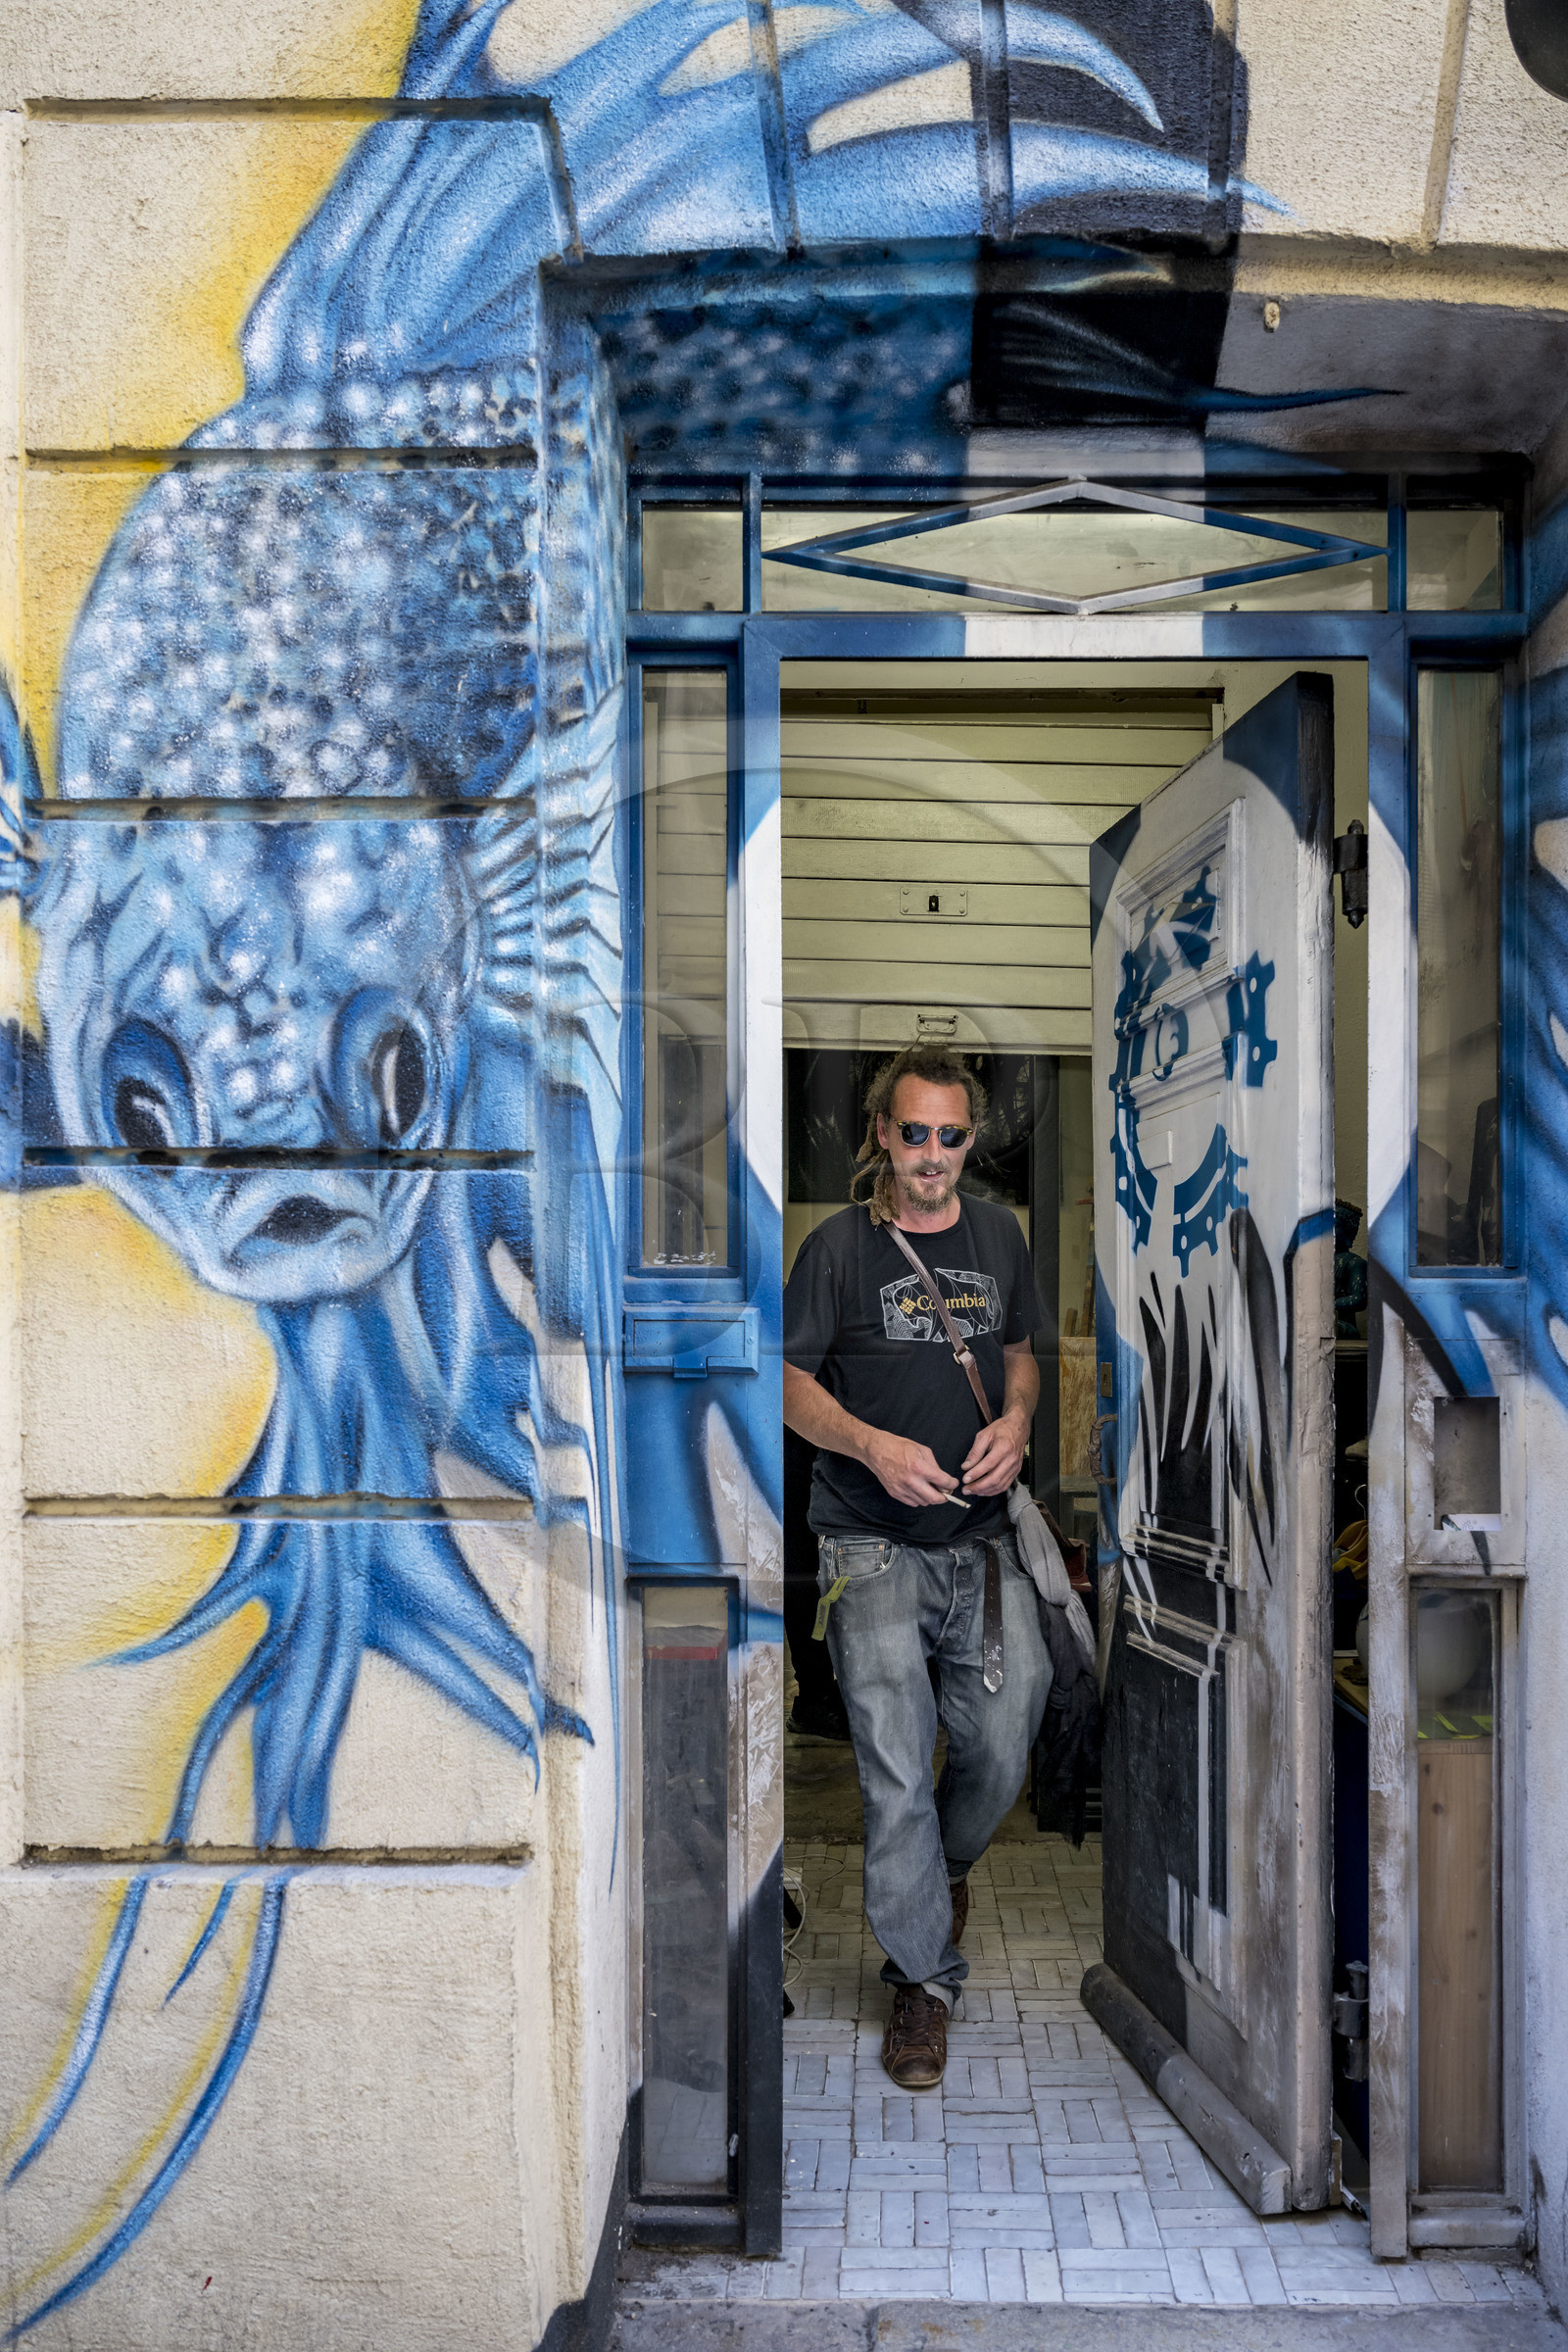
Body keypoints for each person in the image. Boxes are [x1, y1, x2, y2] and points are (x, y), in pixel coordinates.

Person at [781, 1044, 1053, 2088]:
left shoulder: (999, 1235)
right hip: (869, 1541)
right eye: (912, 1133)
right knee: (895, 1766)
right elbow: (787, 1383)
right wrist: (870, 1447)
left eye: (949, 1135)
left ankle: (939, 1876)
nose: (930, 1153)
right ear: (881, 1137)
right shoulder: (836, 1249)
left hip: (981, 1541)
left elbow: (1019, 1351)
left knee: (1006, 1733)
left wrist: (1018, 1421)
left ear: (969, 1140)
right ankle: (921, 1981)